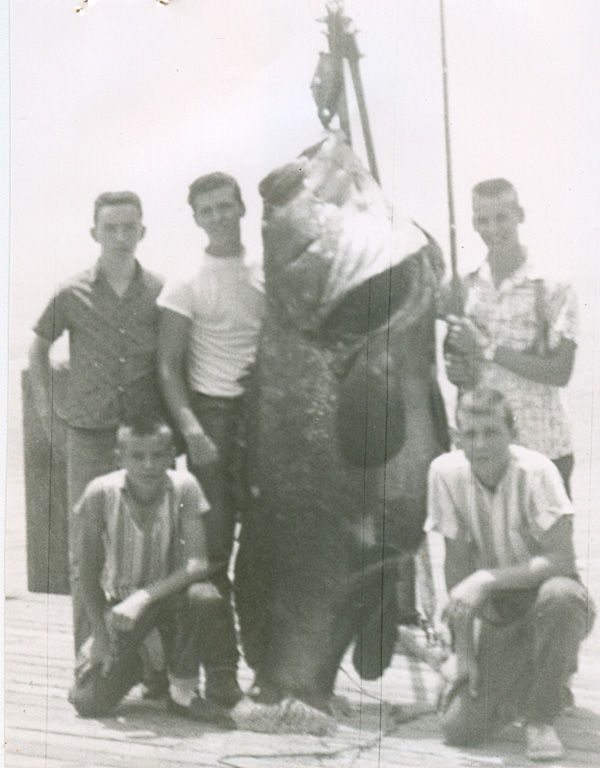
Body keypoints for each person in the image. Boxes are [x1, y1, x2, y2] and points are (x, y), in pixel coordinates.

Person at [426, 387, 594, 761]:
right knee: (459, 729)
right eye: (470, 434)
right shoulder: (444, 473)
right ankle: (541, 673)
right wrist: (464, 653)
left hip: (552, 598)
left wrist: (486, 579)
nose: (480, 444)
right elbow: (456, 568)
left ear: (512, 433)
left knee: (561, 598)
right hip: (499, 610)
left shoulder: (538, 472)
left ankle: (540, 717)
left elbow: (561, 559)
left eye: (491, 432)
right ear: (457, 437)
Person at [28, 191, 164, 652]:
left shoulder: (161, 292)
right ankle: (88, 657)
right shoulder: (72, 292)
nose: (121, 237)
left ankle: (148, 663)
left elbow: (173, 361)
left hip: (143, 442)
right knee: (85, 549)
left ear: (143, 231)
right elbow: (38, 348)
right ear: (95, 233)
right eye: (111, 228)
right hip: (88, 433)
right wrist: (48, 411)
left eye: (130, 227)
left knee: (152, 547)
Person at [157, 172, 264, 707]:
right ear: (196, 217)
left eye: (226, 206)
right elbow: (167, 365)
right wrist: (192, 429)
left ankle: (271, 666)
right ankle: (223, 671)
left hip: (267, 421)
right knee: (214, 553)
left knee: (269, 550)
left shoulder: (271, 272)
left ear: (242, 207)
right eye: (207, 210)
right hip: (213, 419)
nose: (219, 216)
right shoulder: (185, 280)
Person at [68, 418, 239, 721]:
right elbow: (87, 574)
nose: (149, 465)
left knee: (204, 596)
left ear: (171, 454)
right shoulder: (100, 493)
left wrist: (142, 598)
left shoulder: (184, 487)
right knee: (87, 701)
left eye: (158, 455)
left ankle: (182, 691)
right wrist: (101, 637)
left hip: (168, 600)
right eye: (137, 456)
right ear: (119, 457)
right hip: (120, 609)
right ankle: (143, 666)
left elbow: (197, 563)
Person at [444, 178, 578, 495]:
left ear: (520, 214)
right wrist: (457, 370)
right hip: (483, 453)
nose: (492, 228)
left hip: (544, 451)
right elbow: (459, 368)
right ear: (474, 223)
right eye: (483, 219)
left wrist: (487, 348)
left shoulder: (553, 285)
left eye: (501, 217)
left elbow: (560, 372)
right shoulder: (464, 285)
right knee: (488, 546)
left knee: (548, 546)